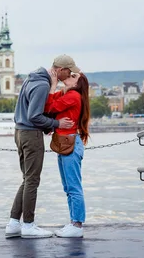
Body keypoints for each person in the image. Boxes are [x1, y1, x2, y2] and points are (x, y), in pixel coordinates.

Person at [5, 55, 81, 239]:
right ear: (60, 69)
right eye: (68, 71)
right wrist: (56, 124)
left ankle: (14, 223)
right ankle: (29, 225)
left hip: (20, 132)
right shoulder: (42, 85)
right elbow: (35, 116)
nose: (69, 75)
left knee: (27, 179)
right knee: (32, 181)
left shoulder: (31, 79)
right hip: (31, 135)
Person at [45, 71, 90, 238]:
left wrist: (53, 86)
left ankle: (77, 225)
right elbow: (48, 104)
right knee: (68, 186)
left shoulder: (73, 96)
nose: (69, 76)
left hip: (70, 142)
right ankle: (73, 222)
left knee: (73, 187)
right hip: (65, 142)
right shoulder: (68, 93)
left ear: (78, 83)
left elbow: (49, 107)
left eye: (74, 76)